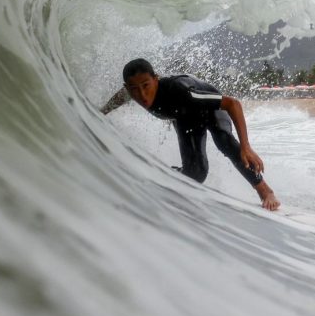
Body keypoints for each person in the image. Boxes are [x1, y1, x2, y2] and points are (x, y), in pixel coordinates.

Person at [101, 58, 280, 211]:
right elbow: (116, 101)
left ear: (156, 80)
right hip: (186, 118)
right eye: (134, 89)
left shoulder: (179, 91)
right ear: (127, 88)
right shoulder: (128, 93)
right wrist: (100, 112)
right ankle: (166, 175)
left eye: (146, 86)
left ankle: (265, 191)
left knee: (224, 140)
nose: (142, 94)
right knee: (196, 173)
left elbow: (232, 104)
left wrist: (246, 146)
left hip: (210, 111)